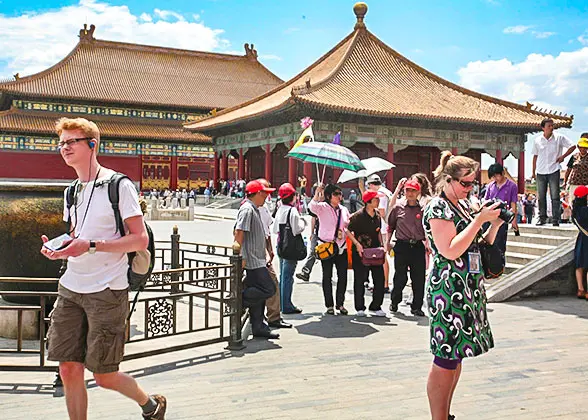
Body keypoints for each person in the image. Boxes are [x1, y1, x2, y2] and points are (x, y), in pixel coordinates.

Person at [40, 117, 166, 420]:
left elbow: (139, 239)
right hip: (71, 286)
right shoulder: (71, 191)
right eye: (62, 143)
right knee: (68, 368)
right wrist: (59, 248)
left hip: (107, 290)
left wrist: (93, 246)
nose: (65, 148)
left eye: (72, 142)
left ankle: (150, 404)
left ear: (93, 145)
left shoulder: (118, 186)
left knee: (104, 375)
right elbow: (76, 233)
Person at [424, 151, 504, 420]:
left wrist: (495, 224)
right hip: (447, 289)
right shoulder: (438, 207)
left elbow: (478, 244)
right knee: (445, 357)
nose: (470, 189)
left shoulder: (463, 205)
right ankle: (438, 417)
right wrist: (479, 220)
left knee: (456, 355)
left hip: (468, 286)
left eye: (473, 184)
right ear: (448, 180)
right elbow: (448, 249)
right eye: (465, 183)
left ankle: (446, 414)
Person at [234, 180, 279, 339]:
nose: (267, 196)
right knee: (269, 289)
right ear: (258, 193)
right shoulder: (247, 210)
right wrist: (240, 257)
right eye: (265, 193)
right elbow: (239, 232)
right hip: (253, 261)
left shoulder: (255, 209)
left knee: (259, 297)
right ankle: (240, 300)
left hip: (257, 259)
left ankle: (258, 325)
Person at [309, 184, 350, 315]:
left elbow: (348, 224)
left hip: (341, 247)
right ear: (329, 196)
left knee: (342, 276)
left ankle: (340, 303)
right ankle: (329, 305)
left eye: (340, 193)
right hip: (326, 247)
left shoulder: (344, 209)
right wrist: (317, 192)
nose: (340, 196)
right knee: (327, 276)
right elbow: (311, 207)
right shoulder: (322, 207)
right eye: (336, 194)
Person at [387, 179, 427, 316]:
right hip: (402, 245)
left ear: (418, 192)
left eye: (413, 191)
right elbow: (390, 225)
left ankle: (416, 307)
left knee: (418, 278)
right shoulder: (398, 208)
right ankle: (394, 301)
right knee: (400, 277)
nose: (410, 193)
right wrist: (387, 242)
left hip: (417, 246)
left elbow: (428, 229)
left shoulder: (423, 209)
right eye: (408, 190)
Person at [256, 179, 292, 330]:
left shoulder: (262, 208)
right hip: (255, 253)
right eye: (266, 190)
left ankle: (266, 317)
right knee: (272, 283)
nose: (268, 194)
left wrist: (269, 249)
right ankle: (272, 317)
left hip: (262, 251)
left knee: (267, 284)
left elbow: (267, 231)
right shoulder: (249, 209)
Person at [347, 190, 386, 317]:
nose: (378, 201)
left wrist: (382, 245)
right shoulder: (357, 216)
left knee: (379, 279)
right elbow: (347, 229)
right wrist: (357, 244)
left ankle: (376, 306)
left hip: (375, 251)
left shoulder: (378, 215)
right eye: (375, 199)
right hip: (360, 252)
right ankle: (360, 307)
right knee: (359, 279)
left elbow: (378, 231)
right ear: (368, 201)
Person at [532, 118, 575, 226]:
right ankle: (542, 218)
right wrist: (533, 171)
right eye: (549, 126)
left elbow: (573, 146)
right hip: (541, 171)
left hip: (554, 169)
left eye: (552, 125)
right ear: (543, 128)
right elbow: (535, 156)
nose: (551, 128)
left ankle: (555, 219)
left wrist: (563, 156)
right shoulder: (537, 140)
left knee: (555, 196)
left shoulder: (559, 138)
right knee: (541, 196)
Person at [273, 183, 307, 314]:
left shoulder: (280, 209)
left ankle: (282, 304)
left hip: (280, 245)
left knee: (283, 276)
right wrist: (303, 222)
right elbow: (296, 229)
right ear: (293, 197)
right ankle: (287, 305)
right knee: (288, 277)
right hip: (291, 247)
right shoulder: (292, 211)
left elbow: (275, 229)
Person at [359, 174, 393, 292]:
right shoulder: (386, 192)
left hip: (382, 228)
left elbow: (382, 211)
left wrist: (370, 209)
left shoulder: (381, 194)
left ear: (372, 185)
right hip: (386, 227)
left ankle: (384, 284)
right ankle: (382, 283)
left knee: (382, 256)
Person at [484, 163, 518, 262]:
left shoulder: (512, 186)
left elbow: (513, 203)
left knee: (500, 242)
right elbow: (485, 200)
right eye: (493, 177)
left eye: (496, 175)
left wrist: (514, 220)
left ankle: (500, 263)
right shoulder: (490, 186)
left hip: (502, 218)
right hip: (489, 217)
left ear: (503, 173)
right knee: (488, 241)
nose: (495, 178)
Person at [572, 185, 588, 300]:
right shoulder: (586, 211)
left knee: (579, 265)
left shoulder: (575, 211)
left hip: (581, 238)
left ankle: (580, 289)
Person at [565, 135, 588, 205]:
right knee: (572, 201)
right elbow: (568, 169)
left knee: (585, 202)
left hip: (585, 183)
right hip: (574, 182)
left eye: (585, 147)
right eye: (581, 147)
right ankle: (573, 215)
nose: (583, 149)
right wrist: (565, 181)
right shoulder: (574, 156)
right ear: (578, 147)